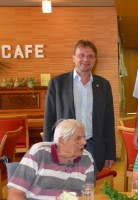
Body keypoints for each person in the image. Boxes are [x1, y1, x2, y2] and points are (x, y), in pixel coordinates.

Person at [43, 39, 116, 172]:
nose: (85, 59)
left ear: (95, 60)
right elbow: (49, 120)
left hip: (93, 145)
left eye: (90, 56)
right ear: (73, 58)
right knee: (66, 186)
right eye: (81, 55)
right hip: (65, 146)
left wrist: (110, 153)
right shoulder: (57, 83)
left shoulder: (103, 85)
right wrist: (48, 149)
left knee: (89, 188)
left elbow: (108, 121)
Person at [7, 119, 94, 200]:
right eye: (78, 138)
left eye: (84, 137)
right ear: (62, 140)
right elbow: (15, 193)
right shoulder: (39, 152)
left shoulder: (86, 158)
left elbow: (87, 194)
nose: (84, 142)